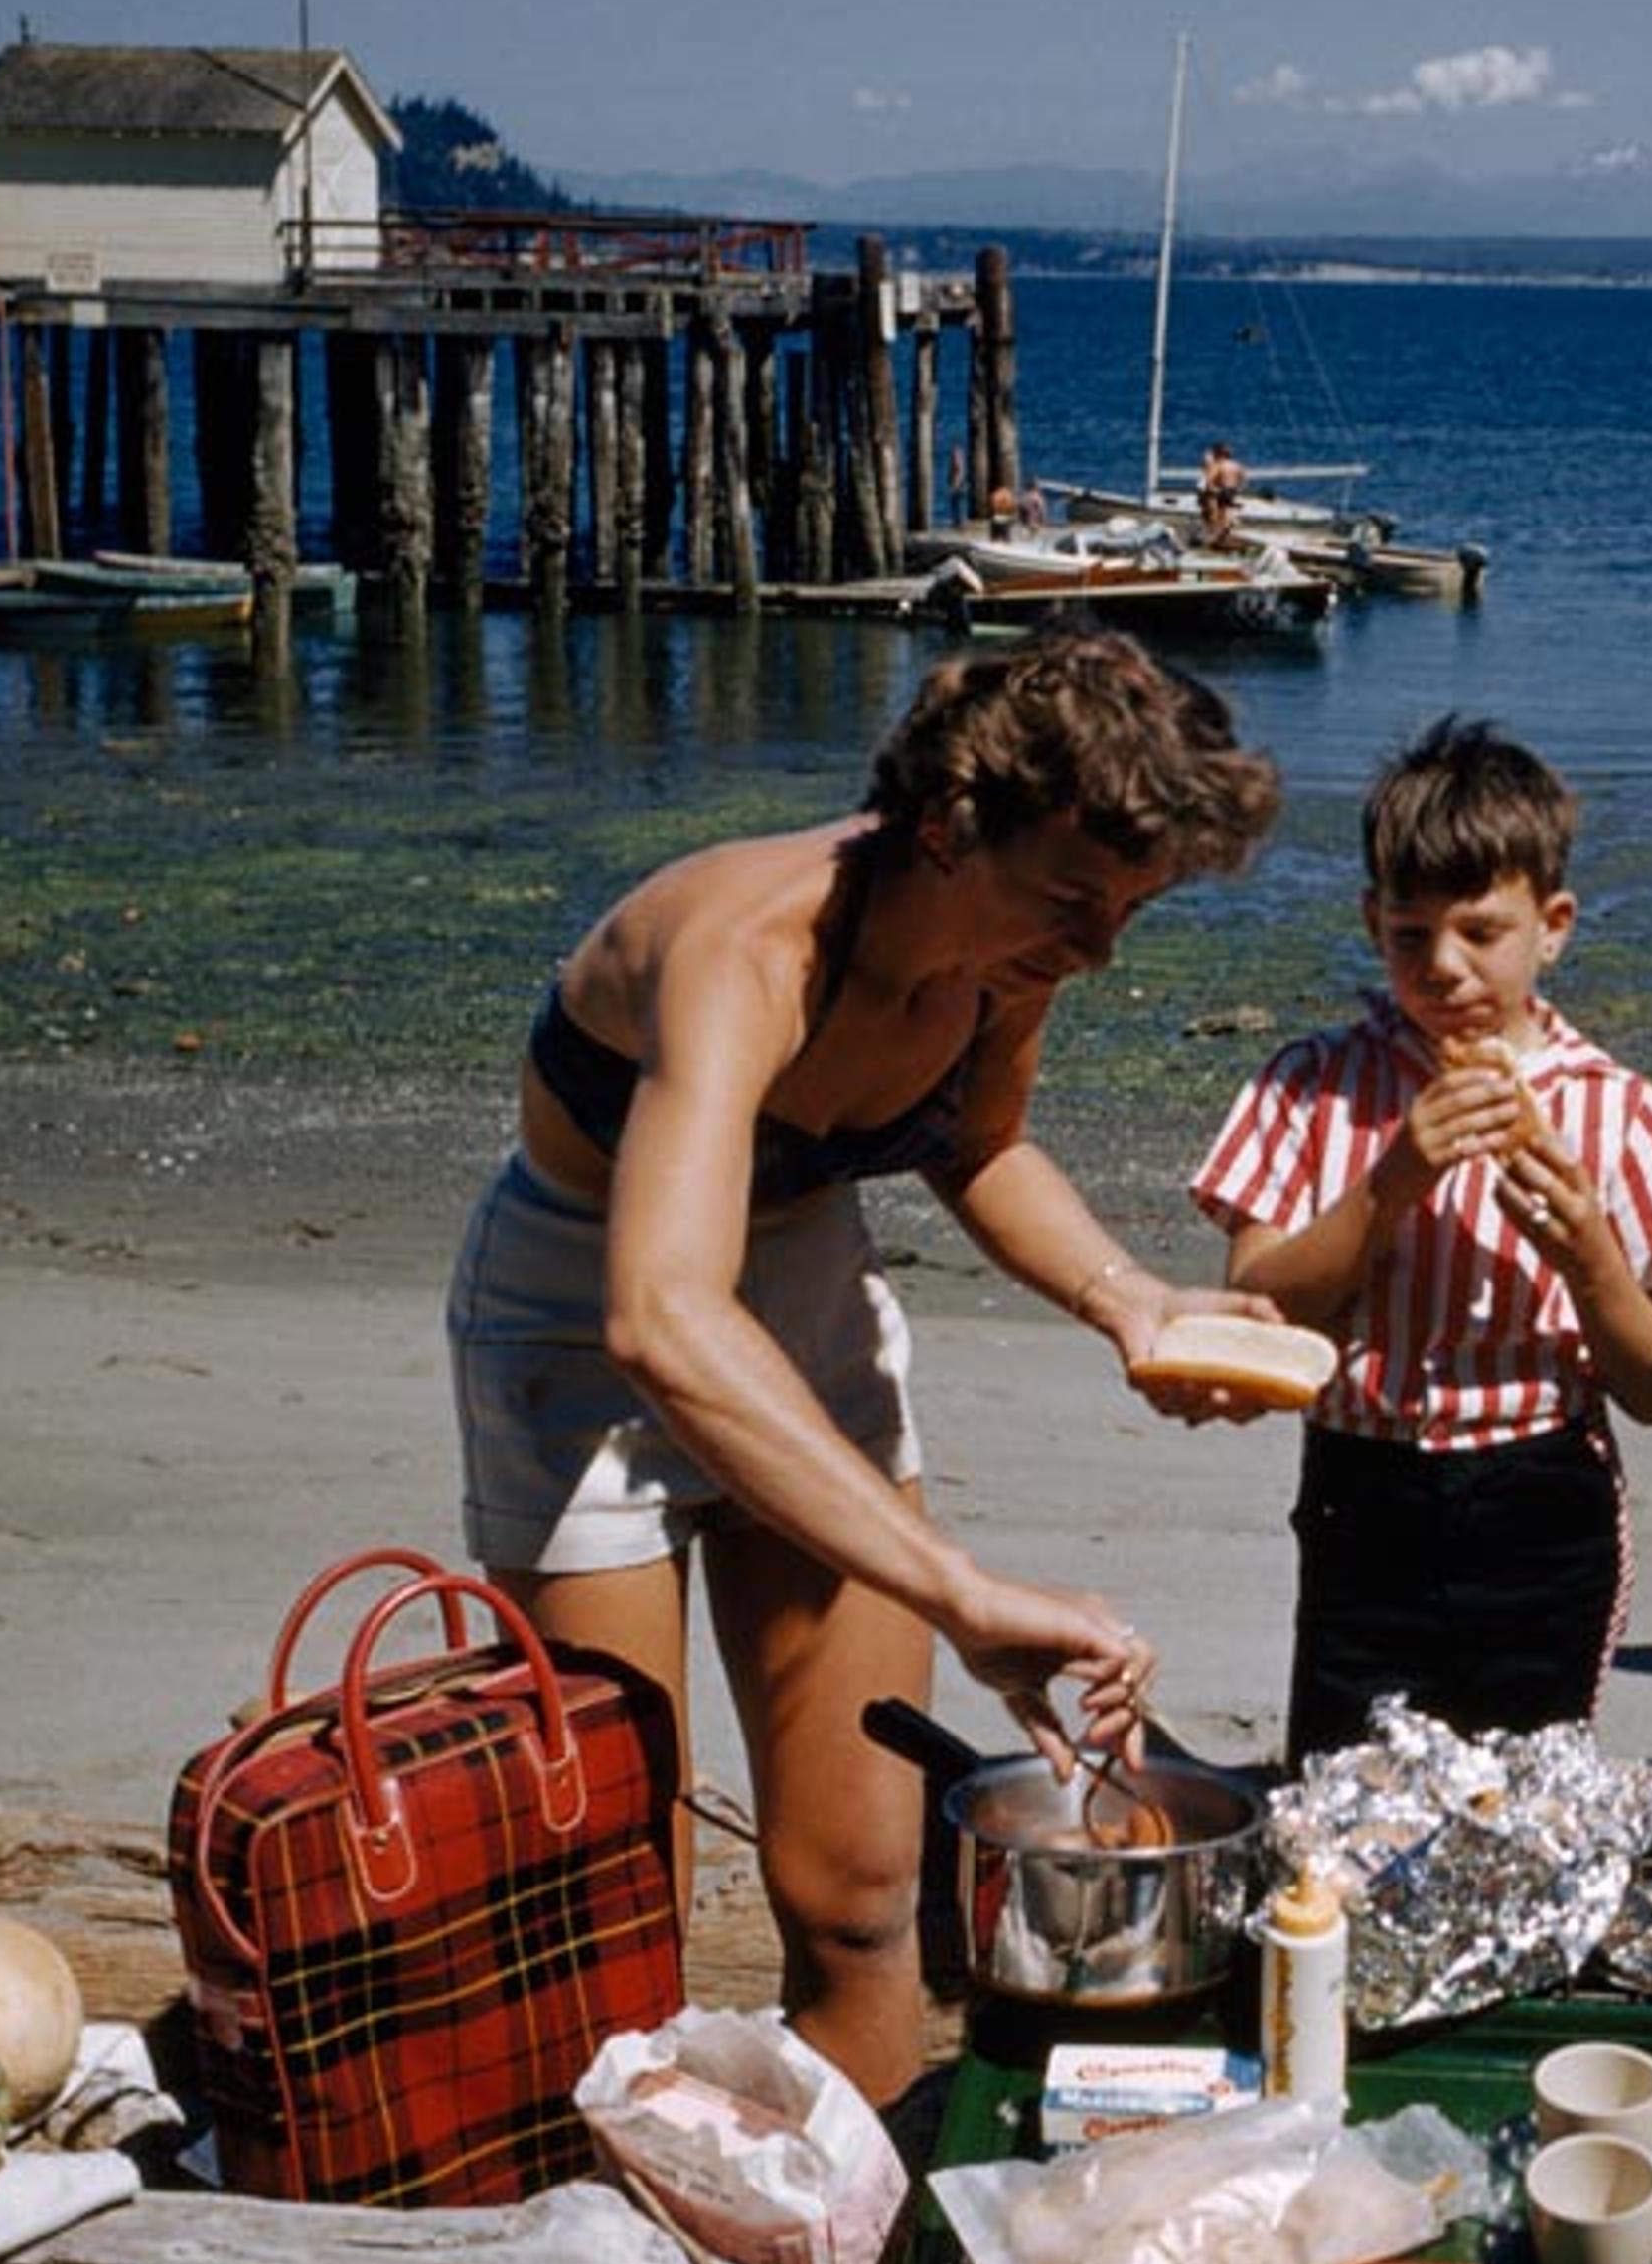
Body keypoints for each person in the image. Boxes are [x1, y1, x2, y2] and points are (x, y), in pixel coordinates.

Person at [445, 624, 1287, 2101]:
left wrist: (1130, 1298)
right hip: (583, 1318)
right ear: (953, 826)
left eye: (1130, 912)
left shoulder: (1004, 946)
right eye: (1075, 902)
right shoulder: (748, 951)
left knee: (859, 1886)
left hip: (806, 1286)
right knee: (609, 1893)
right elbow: (663, 1318)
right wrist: (955, 1587)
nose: (1097, 950)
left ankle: (859, 2251)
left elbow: (983, 1145)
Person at [1190, 717, 1652, 1763]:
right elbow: (1259, 1306)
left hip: (1540, 1487)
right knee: (1347, 1775)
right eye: (1410, 935)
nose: (1444, 967)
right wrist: (1391, 1182)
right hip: (1366, 1479)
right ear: (1371, 921)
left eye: (1482, 931)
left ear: (1553, 925)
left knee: (1528, 1793)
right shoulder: (1317, 1085)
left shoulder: (1621, 1112)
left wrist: (1588, 1251)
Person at [1195, 440, 1247, 547]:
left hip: (1219, 491)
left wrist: (1206, 492)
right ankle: (1223, 536)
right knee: (1224, 515)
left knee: (1213, 515)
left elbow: (1208, 481)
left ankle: (1215, 536)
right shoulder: (1236, 465)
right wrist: (1237, 488)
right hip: (1231, 491)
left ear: (1217, 454)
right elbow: (1243, 480)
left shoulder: (1218, 465)